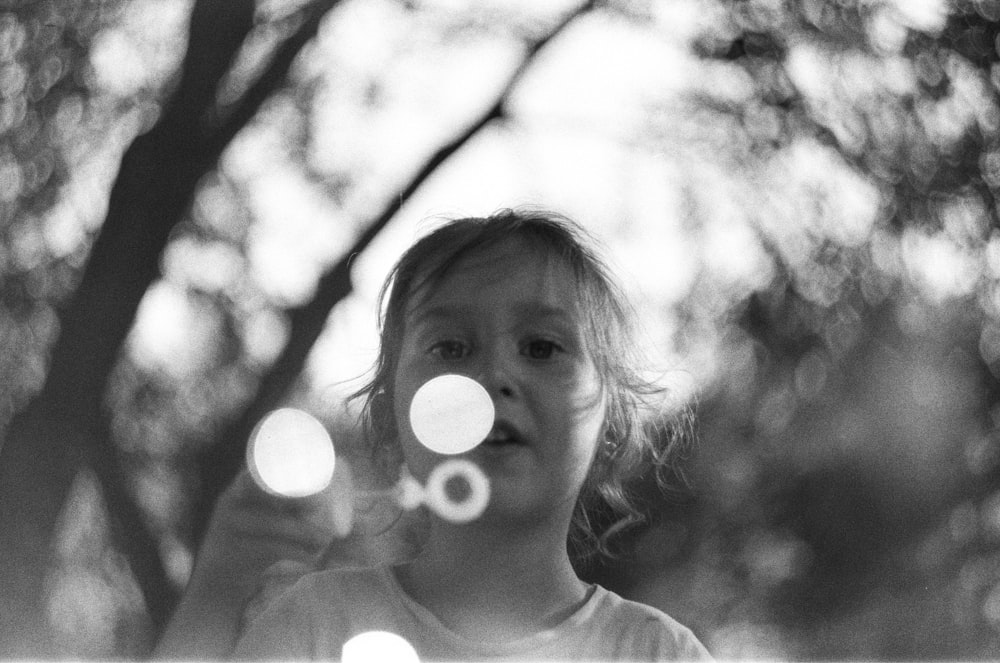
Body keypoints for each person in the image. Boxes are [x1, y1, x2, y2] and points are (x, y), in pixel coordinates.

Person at [154, 208, 711, 661]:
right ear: (390, 416)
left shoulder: (659, 655)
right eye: (450, 349)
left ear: (610, 422)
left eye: (542, 347)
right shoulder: (315, 628)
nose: (494, 377)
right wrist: (217, 591)